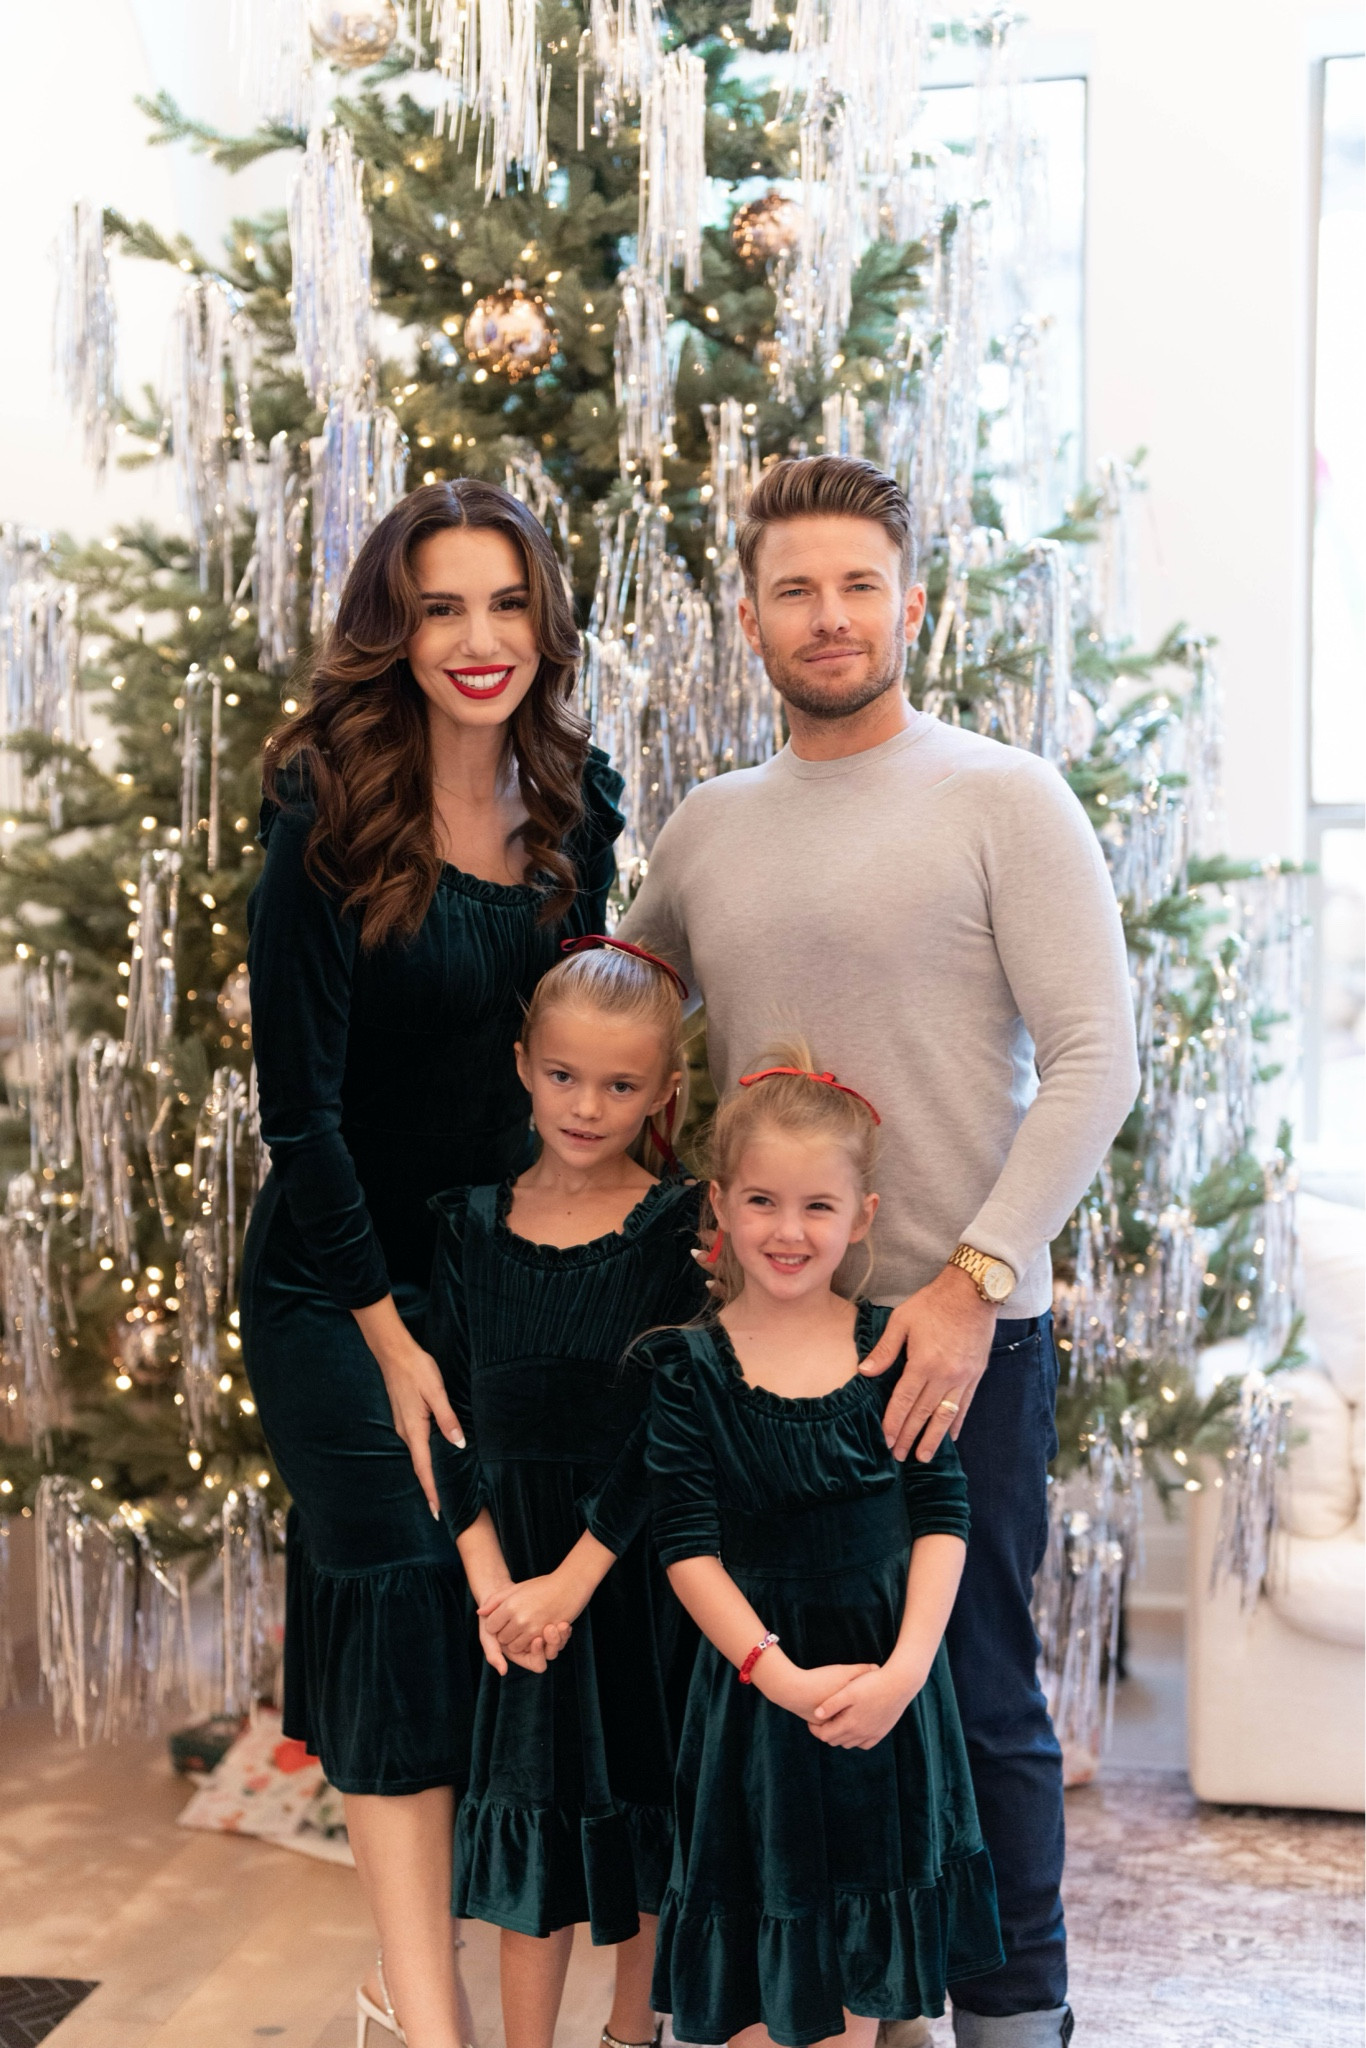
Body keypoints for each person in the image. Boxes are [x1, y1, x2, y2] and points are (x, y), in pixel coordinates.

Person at [619, 455, 1141, 2048]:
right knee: (753, 1689)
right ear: (749, 619)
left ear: (909, 602)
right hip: (761, 1350)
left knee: (972, 1695)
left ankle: (1012, 2017)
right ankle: (821, 1999)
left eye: (858, 584)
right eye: (794, 588)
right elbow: (613, 1033)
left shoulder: (1001, 799)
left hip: (947, 1334)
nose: (828, 615)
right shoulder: (708, 831)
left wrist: (972, 1283)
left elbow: (1094, 1058)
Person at [240, 479, 625, 2048]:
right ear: (392, 632)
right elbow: (299, 1119)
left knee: (507, 1611)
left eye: (506, 604)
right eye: (442, 608)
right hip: (337, 1286)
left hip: (494, 1275)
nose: (479, 641)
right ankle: (423, 2014)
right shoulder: (326, 812)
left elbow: (574, 1055)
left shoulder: (576, 801)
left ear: (544, 619)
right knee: (401, 1593)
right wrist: (387, 1336)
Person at [642, 1046, 1003, 2048]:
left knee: (853, 1990)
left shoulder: (893, 1349)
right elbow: (685, 1545)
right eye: (760, 1200)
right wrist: (779, 1675)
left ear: (862, 1216)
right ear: (718, 1204)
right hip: (759, 1707)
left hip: (887, 1702)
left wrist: (905, 1671)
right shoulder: (689, 1369)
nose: (787, 1230)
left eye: (816, 1206)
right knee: (768, 1998)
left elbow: (942, 1511)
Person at [427, 939, 707, 2048]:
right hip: (509, 1584)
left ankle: (630, 2035)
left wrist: (572, 1583)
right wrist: (500, 1586)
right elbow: (438, 1410)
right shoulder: (464, 1223)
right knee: (529, 1822)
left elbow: (666, 1428)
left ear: (665, 1092)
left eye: (621, 1084)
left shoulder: (678, 1228)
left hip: (625, 1570)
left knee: (644, 1812)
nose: (587, 1105)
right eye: (562, 1075)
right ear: (521, 1065)